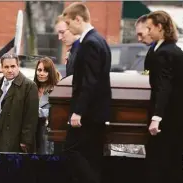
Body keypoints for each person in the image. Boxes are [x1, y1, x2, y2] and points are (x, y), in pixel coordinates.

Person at [62, 3, 111, 183]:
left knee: (71, 149)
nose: (68, 27)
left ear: (78, 19)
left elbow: (89, 81)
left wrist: (78, 111)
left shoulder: (89, 43)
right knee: (91, 156)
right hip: (97, 112)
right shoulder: (100, 39)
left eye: (69, 23)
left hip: (88, 113)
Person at [145, 11, 183, 183]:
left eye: (150, 28)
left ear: (160, 27)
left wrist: (156, 118)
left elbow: (164, 88)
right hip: (175, 117)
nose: (148, 32)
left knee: (164, 164)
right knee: (171, 164)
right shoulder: (165, 49)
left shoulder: (166, 53)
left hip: (169, 119)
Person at [0, 53, 39, 153]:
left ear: (18, 66)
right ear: (1, 68)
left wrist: (25, 141)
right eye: (6, 67)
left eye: (13, 66)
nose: (10, 70)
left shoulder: (29, 86)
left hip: (15, 139)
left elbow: (31, 117)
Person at [33, 57, 61, 154]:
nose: (41, 73)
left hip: (46, 133)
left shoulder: (56, 90)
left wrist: (35, 111)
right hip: (32, 132)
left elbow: (56, 112)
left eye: (45, 71)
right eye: (39, 70)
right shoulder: (32, 88)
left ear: (51, 73)